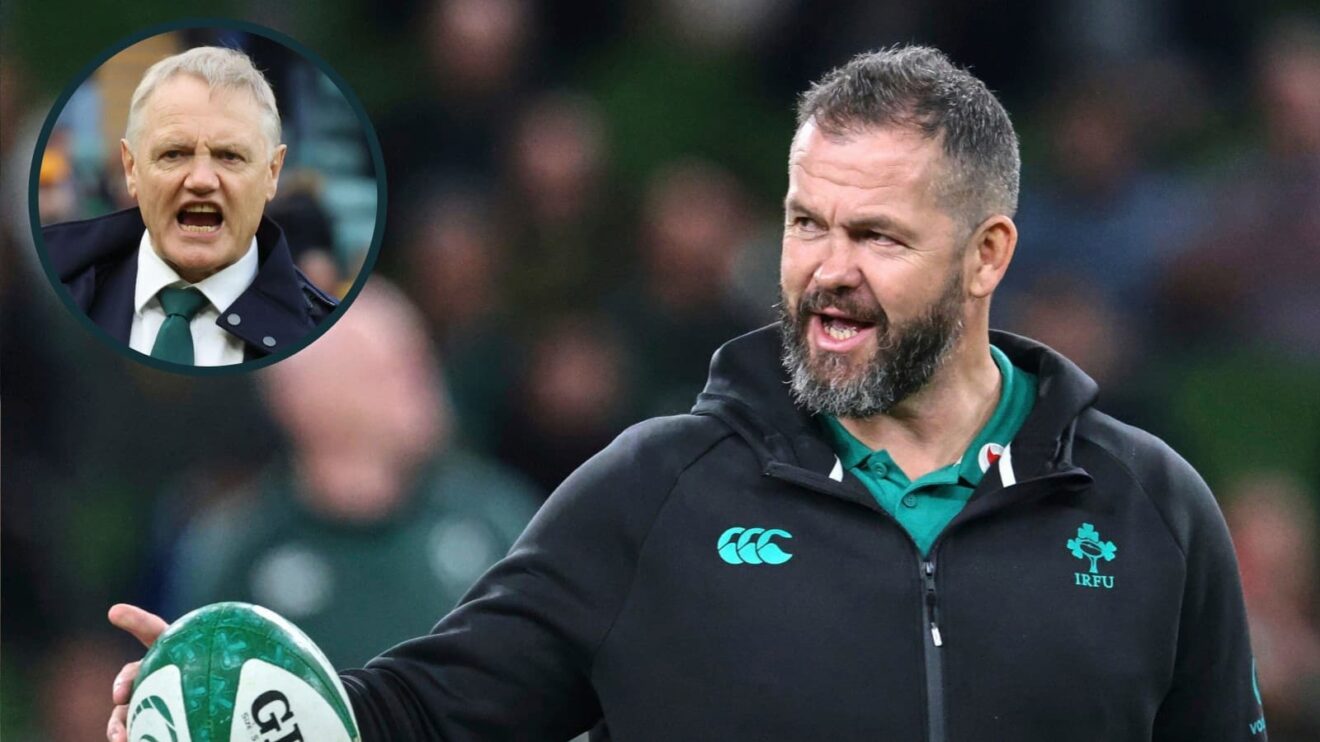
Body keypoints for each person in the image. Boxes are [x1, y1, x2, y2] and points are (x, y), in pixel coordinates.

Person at [107, 45, 1264, 741]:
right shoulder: (655, 491)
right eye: (806, 223)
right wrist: (234, 701)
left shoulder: (1148, 508)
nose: (827, 269)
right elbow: (425, 715)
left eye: (876, 234)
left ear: (987, 254)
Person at [42, 46, 336, 366]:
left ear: (272, 172)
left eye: (229, 156)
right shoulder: (43, 303)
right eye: (174, 154)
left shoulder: (327, 342)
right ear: (131, 168)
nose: (201, 180)